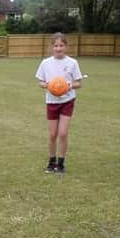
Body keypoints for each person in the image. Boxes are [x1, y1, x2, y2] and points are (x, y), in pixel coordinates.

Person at [35, 32, 83, 174]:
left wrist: (68, 86)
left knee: (62, 133)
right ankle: (51, 162)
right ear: (52, 47)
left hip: (67, 101)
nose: (58, 48)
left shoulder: (72, 63)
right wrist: (47, 85)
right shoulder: (45, 63)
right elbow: (40, 82)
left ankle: (60, 164)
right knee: (52, 134)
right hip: (51, 101)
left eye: (61, 45)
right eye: (55, 46)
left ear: (66, 46)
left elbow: (79, 83)